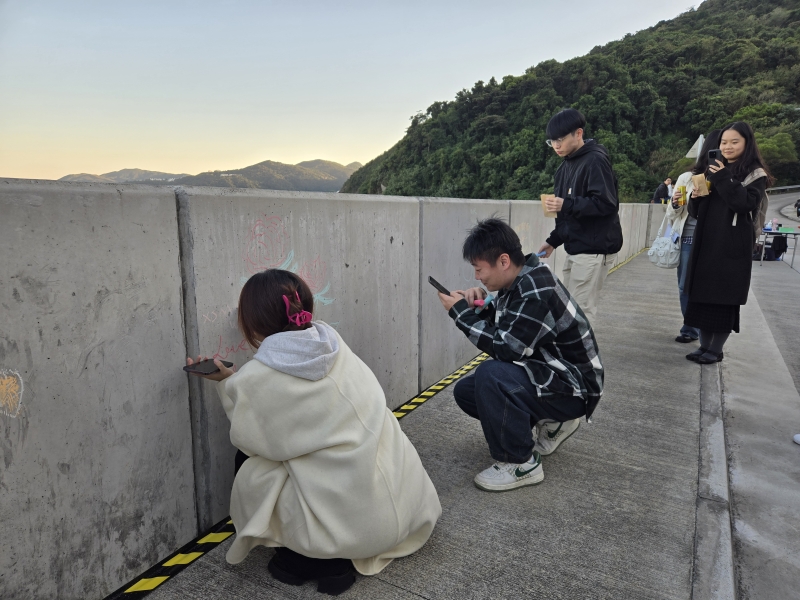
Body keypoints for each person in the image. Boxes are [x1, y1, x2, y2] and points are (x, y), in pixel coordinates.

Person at [187, 269, 441, 595]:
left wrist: (227, 382)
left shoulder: (260, 375)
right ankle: (325, 554)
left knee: (249, 466)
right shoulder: (333, 344)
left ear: (251, 322)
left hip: (358, 531)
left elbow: (253, 436)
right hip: (404, 511)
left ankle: (309, 559)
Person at [437, 218, 604, 492]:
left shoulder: (534, 288)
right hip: (550, 372)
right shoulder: (519, 278)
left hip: (575, 386)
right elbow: (514, 329)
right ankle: (554, 422)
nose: (477, 277)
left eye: (479, 269)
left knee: (490, 376)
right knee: (468, 391)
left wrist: (460, 314)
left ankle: (521, 463)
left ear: (503, 261)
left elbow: (508, 348)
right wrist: (478, 308)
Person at [683, 122, 774, 364]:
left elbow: (743, 204)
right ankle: (704, 346)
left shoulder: (755, 174)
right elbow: (696, 212)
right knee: (702, 296)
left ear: (747, 143)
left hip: (732, 245)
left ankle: (716, 349)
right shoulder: (712, 169)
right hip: (707, 242)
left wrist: (723, 176)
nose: (728, 146)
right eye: (724, 142)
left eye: (735, 142)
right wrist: (696, 196)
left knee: (723, 298)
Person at [538, 108, 623, 323]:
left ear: (578, 133)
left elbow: (606, 204)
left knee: (580, 313)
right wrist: (552, 241)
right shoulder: (564, 167)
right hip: (576, 247)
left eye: (560, 139)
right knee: (570, 310)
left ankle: (584, 357)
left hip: (593, 250)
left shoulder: (595, 160)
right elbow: (567, 214)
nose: (556, 146)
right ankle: (575, 355)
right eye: (551, 141)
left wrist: (566, 203)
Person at [667, 131, 722, 343]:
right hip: (689, 237)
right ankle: (690, 328)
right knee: (684, 286)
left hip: (715, 240)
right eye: (720, 146)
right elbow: (674, 215)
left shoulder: (730, 176)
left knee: (709, 286)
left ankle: (705, 330)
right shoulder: (687, 178)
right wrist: (676, 202)